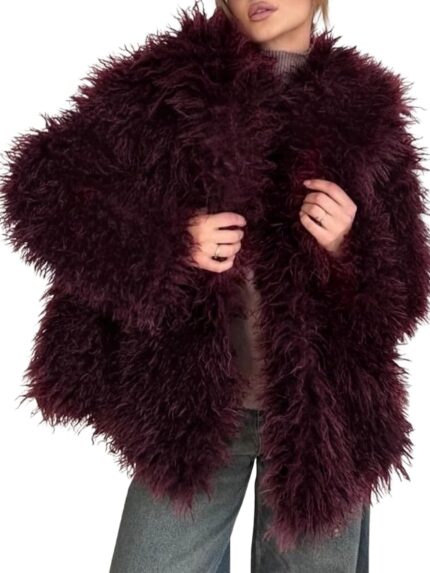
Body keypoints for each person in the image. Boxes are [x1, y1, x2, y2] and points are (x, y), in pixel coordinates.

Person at [2, 0, 429, 572]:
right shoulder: (169, 86)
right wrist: (170, 240)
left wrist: (348, 246)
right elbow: (42, 191)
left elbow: (404, 295)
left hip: (325, 418)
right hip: (192, 404)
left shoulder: (368, 109)